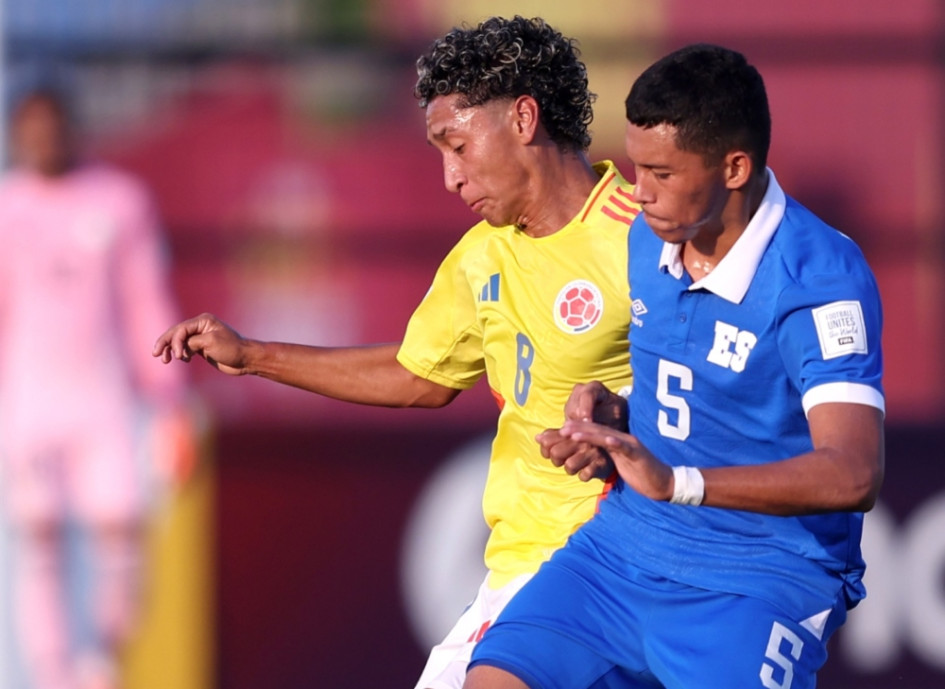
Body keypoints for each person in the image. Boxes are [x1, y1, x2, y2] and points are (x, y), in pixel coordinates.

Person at [152, 16, 640, 689]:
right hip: (522, 565)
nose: (449, 176)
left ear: (524, 119)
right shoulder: (481, 257)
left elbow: (721, 382)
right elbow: (419, 375)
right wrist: (254, 356)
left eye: (457, 145)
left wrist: (623, 415)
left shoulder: (642, 238)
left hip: (611, 560)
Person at [464, 43, 885, 689]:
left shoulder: (818, 278)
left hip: (759, 575)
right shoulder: (648, 235)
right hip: (624, 546)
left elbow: (854, 473)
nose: (639, 192)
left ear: (734, 167)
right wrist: (612, 412)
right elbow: (690, 388)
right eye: (637, 167)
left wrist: (679, 481)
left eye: (661, 172)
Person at [0, 86, 192, 689]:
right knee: (39, 535)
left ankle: (100, 662)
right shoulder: (7, 207)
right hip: (29, 398)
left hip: (102, 397)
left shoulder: (118, 201)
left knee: (119, 530)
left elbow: (144, 299)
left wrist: (169, 398)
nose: (43, 139)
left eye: (52, 125)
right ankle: (51, 673)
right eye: (30, 128)